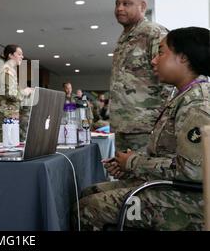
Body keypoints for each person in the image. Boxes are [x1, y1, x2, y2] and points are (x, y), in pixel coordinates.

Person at [77, 27, 210, 231]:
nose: (154, 60)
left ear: (183, 57)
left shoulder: (197, 103)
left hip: (188, 203)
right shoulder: (183, 96)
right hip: (172, 188)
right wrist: (131, 162)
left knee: (88, 208)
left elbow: (193, 172)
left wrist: (133, 163)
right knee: (88, 192)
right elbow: (169, 153)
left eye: (161, 52)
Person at [110, 0, 171, 151]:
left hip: (146, 128)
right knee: (127, 175)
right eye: (117, 4)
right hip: (123, 127)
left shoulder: (153, 33)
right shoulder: (123, 39)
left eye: (126, 4)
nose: (119, 8)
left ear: (142, 7)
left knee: (146, 175)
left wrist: (160, 121)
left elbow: (170, 79)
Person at [0, 44, 32, 142]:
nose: (22, 57)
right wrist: (25, 92)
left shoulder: (10, 70)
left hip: (10, 114)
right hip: (6, 115)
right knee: (7, 147)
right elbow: (11, 94)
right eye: (19, 54)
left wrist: (23, 91)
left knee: (12, 146)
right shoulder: (7, 70)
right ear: (10, 55)